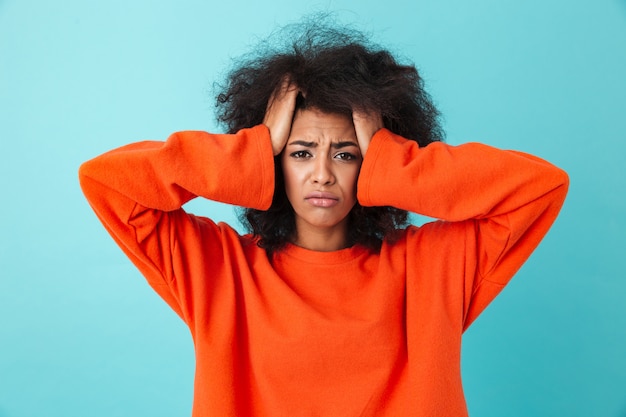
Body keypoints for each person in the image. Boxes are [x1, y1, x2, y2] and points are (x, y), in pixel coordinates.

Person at [79, 20, 568, 417]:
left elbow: (539, 186)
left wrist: (393, 163)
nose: (322, 175)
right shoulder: (218, 269)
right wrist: (253, 150)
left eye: (347, 155)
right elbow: (107, 181)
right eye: (300, 152)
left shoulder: (433, 266)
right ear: (275, 163)